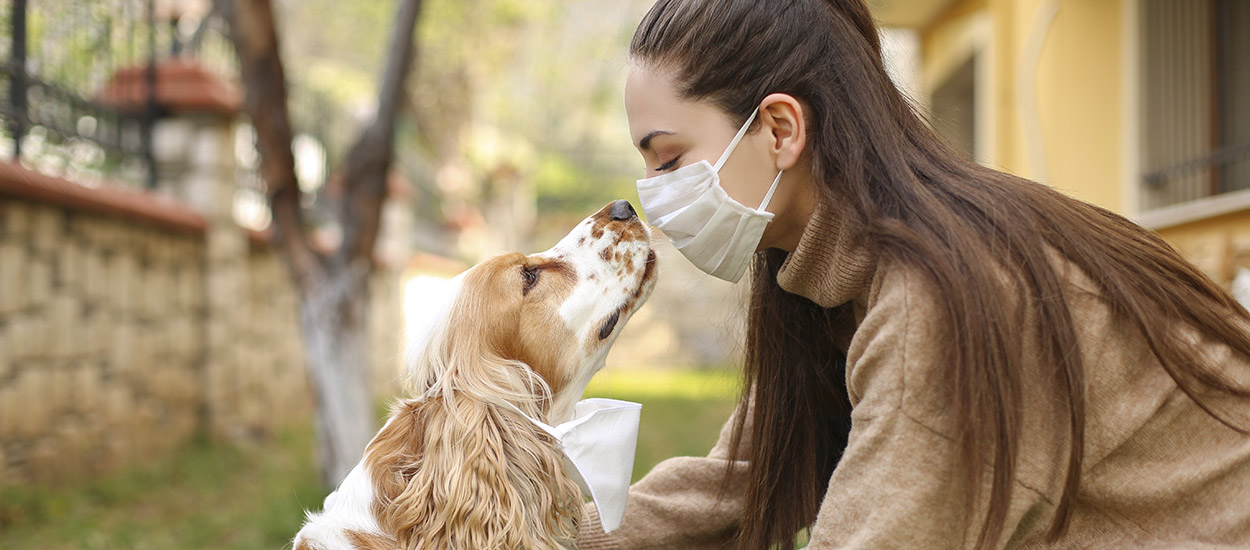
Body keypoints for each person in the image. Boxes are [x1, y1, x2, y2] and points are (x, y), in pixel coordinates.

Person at [576, 0, 1250, 549]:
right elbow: (734, 485)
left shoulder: (943, 298)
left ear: (780, 129)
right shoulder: (828, 276)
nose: (654, 195)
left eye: (669, 160)